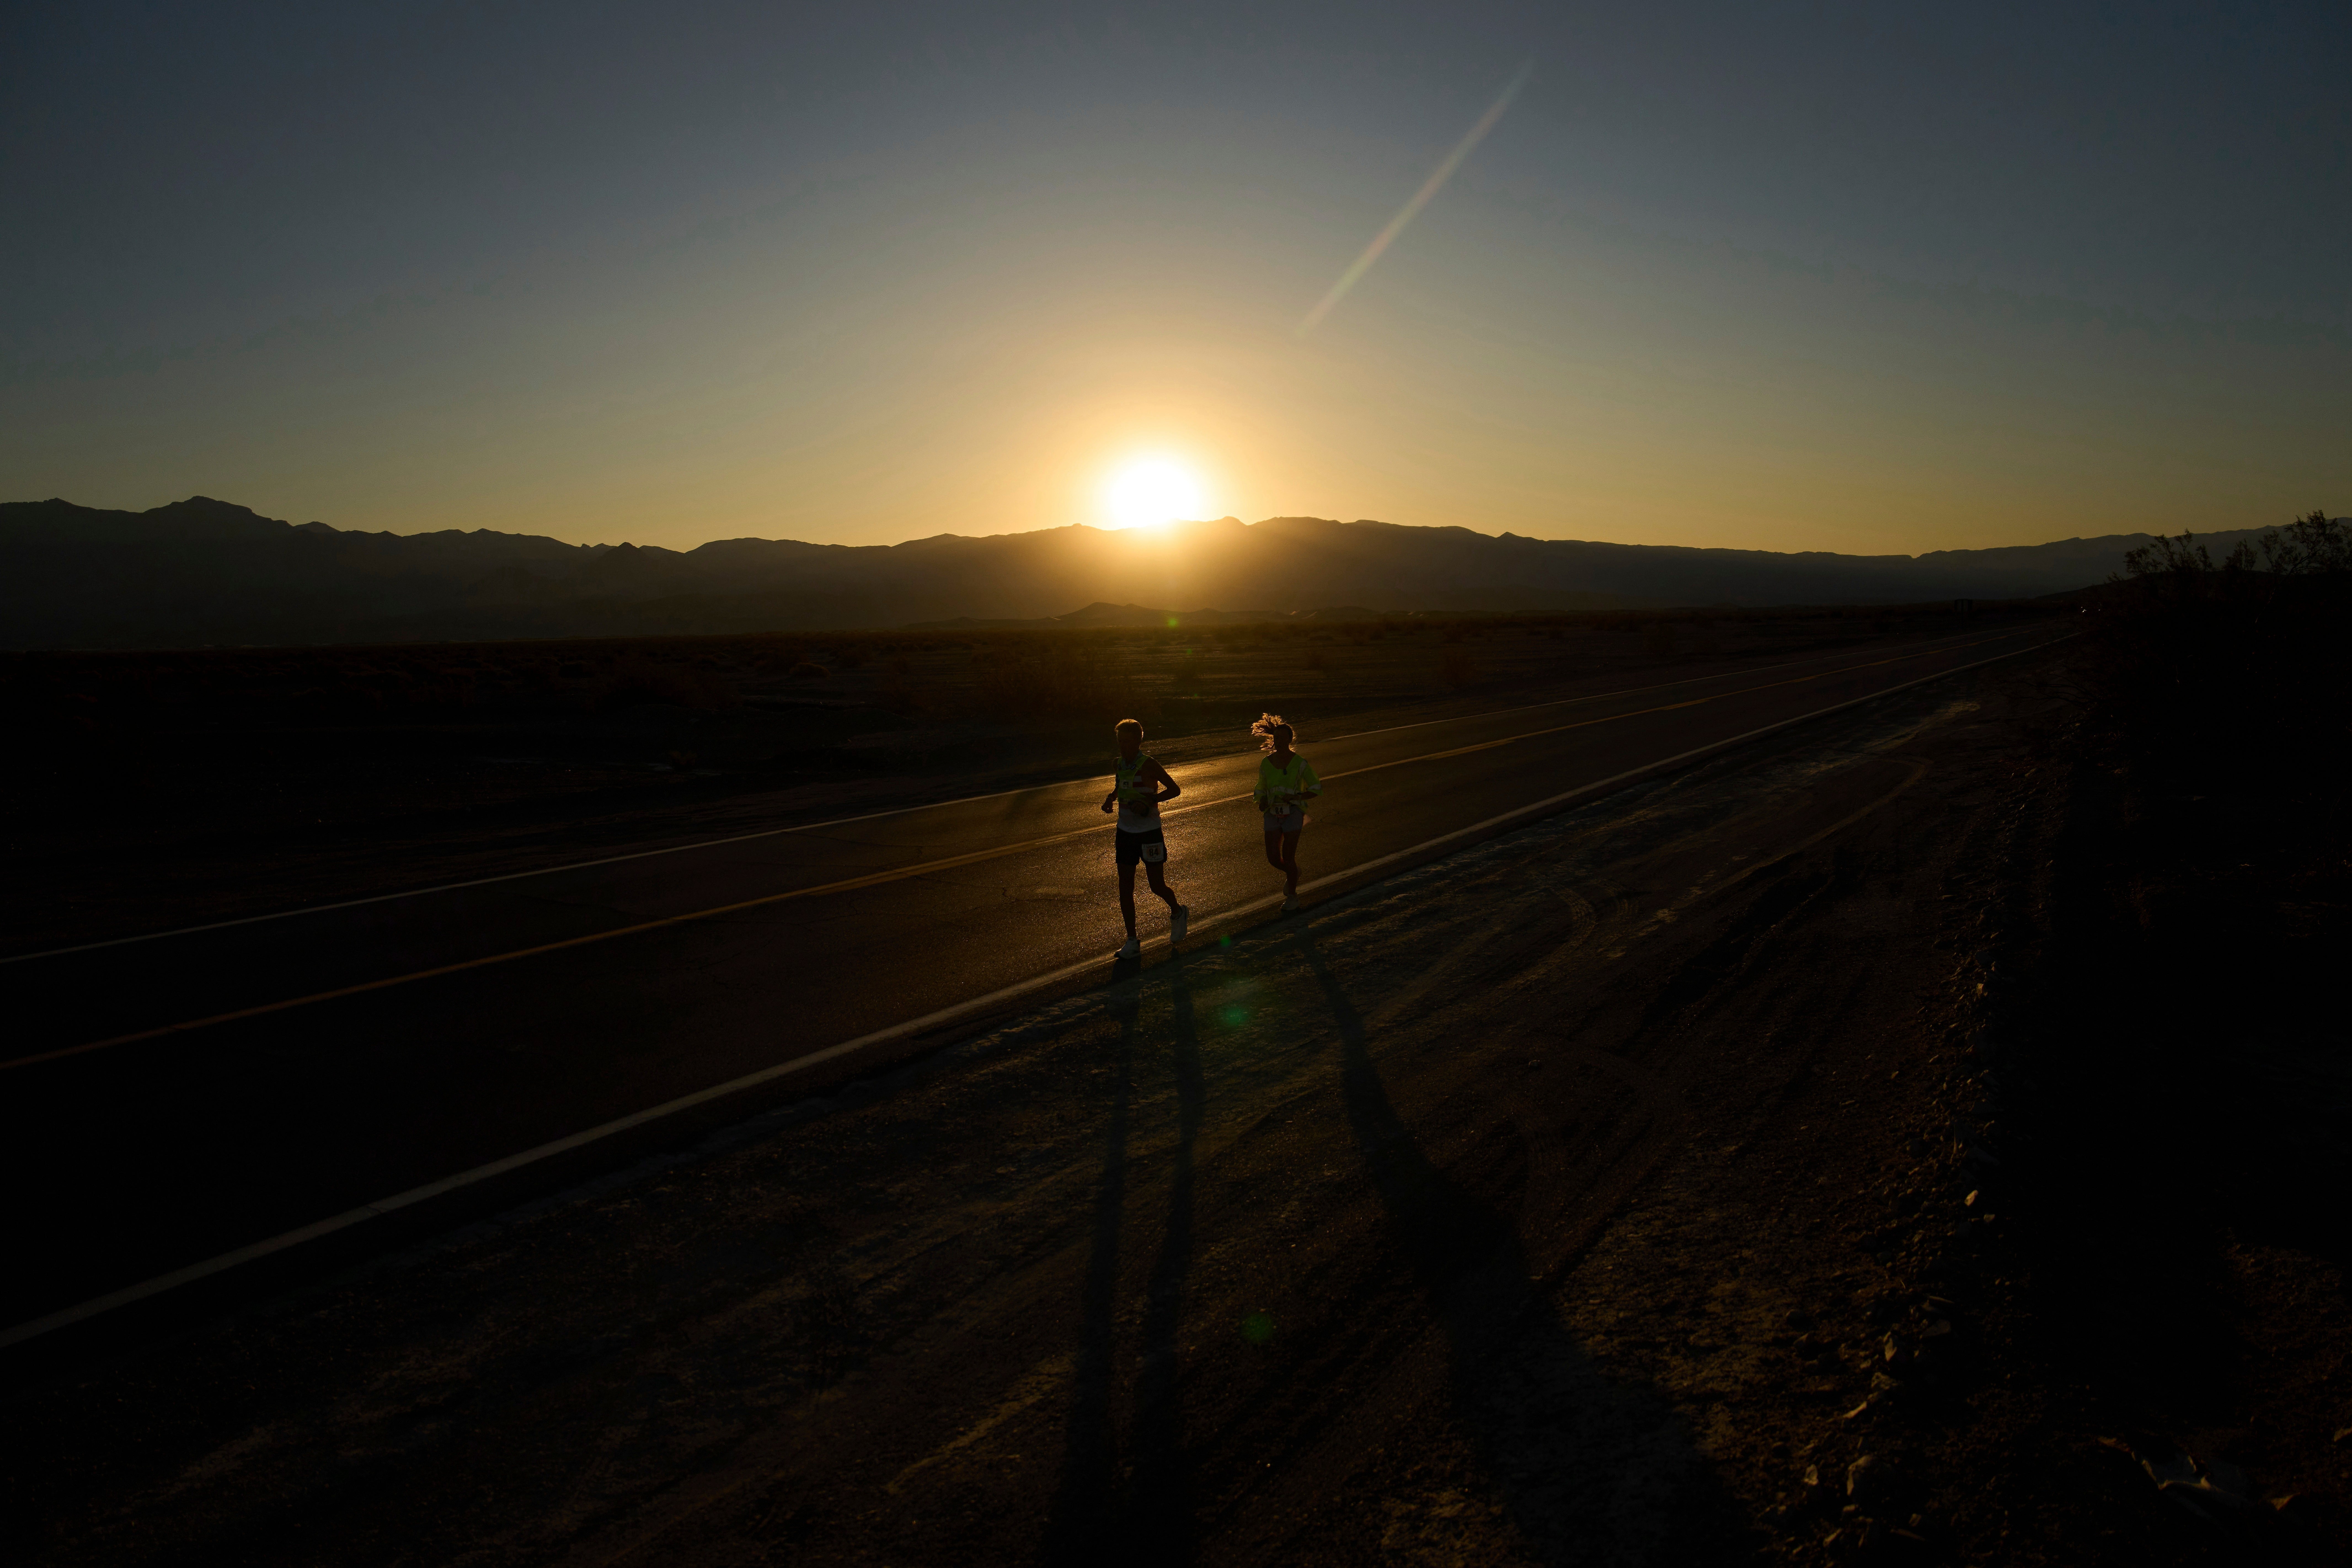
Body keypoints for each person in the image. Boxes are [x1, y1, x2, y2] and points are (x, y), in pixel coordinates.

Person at [1102, 718, 1187, 958]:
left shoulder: (1149, 764)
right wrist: (1111, 798)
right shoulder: (1119, 763)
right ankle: (1132, 940)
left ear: (1139, 741)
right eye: (1120, 742)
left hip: (1149, 833)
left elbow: (1175, 789)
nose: (1123, 747)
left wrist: (1151, 801)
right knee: (1125, 887)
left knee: (1156, 886)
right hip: (1125, 832)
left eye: (1127, 742)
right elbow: (1120, 784)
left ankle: (1178, 911)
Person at [1250, 713, 1321, 912]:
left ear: (1290, 740)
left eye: (1282, 739)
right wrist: (1262, 800)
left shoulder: (1300, 763)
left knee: (1288, 856)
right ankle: (1294, 873)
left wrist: (1296, 798)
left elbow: (1316, 789)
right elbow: (1261, 787)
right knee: (1273, 858)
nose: (1278, 742)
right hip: (1273, 814)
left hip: (1294, 814)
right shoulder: (1266, 763)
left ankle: (1293, 896)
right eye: (1276, 739)